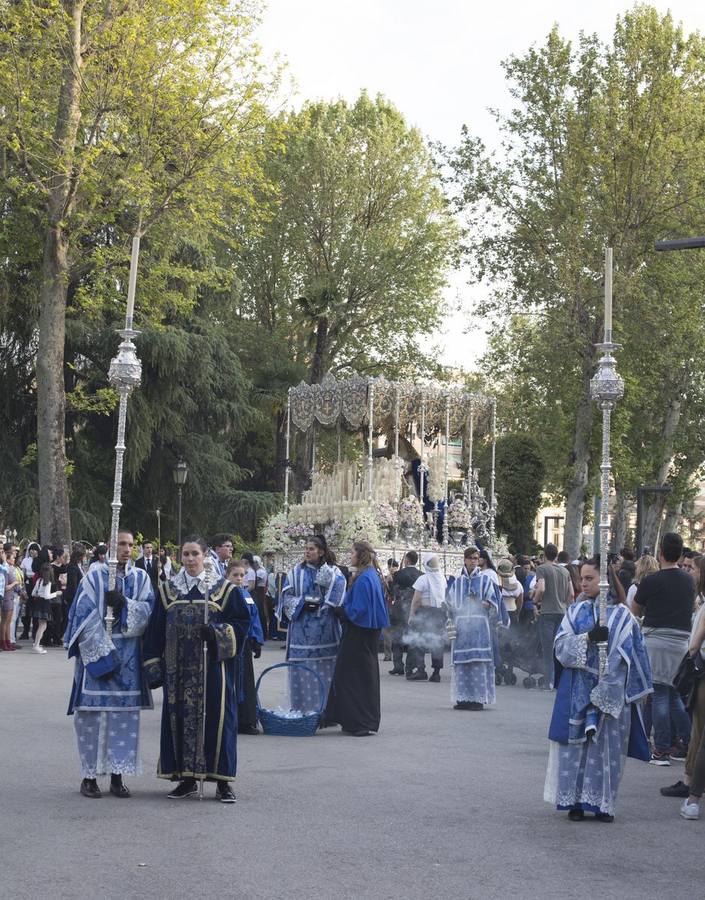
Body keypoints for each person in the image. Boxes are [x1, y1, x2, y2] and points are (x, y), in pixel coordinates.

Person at [142, 535, 252, 803]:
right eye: (186, 554)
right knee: (178, 721)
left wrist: (216, 632)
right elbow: (154, 631)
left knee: (218, 721)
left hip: (213, 668)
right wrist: (153, 665)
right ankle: (187, 779)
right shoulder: (168, 591)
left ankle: (223, 782)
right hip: (177, 669)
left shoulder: (225, 590)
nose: (190, 559)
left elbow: (242, 624)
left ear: (205, 556)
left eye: (195, 554)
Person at [544, 556, 652, 822]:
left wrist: (609, 686)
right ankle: (576, 802)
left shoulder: (624, 616)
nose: (583, 583)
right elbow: (560, 648)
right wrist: (588, 638)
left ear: (605, 582)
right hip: (578, 688)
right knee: (577, 748)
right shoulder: (576, 612)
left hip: (611, 693)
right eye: (582, 578)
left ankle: (602, 804)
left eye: (589, 578)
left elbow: (633, 655)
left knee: (606, 749)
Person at [63, 530, 155, 798]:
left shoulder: (141, 577)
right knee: (90, 717)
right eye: (121, 544)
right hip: (97, 654)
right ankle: (88, 776)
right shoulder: (93, 576)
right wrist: (101, 643)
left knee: (124, 718)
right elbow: (79, 614)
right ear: (110, 547)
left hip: (129, 657)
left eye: (130, 544)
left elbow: (150, 610)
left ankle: (118, 774)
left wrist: (125, 603)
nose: (126, 549)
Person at [633, 532, 694, 765]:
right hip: (681, 642)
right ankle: (688, 742)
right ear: (680, 554)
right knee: (674, 694)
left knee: (658, 693)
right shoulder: (689, 580)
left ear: (660, 554)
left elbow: (634, 610)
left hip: (656, 639)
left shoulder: (652, 581)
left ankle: (660, 748)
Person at [325, 541, 390, 736]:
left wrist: (340, 611)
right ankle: (360, 719)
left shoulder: (364, 579)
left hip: (359, 632)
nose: (350, 556)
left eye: (352, 553)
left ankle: (358, 721)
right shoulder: (372, 575)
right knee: (363, 676)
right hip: (367, 632)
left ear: (360, 555)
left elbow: (359, 610)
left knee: (352, 677)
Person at [278, 536, 346, 711]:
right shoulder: (295, 572)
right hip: (301, 630)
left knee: (326, 669)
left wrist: (329, 582)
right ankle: (302, 710)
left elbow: (338, 593)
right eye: (306, 548)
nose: (307, 552)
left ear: (321, 552)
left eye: (311, 549)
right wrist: (302, 603)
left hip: (326, 630)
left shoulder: (332, 571)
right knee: (301, 669)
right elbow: (285, 597)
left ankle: (326, 711)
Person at [445, 557, 508, 710]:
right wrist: (449, 617)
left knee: (478, 662)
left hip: (480, 628)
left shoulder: (485, 581)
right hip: (461, 628)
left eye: (476, 558)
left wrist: (479, 602)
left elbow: (493, 603)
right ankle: (462, 699)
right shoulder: (458, 582)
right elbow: (449, 605)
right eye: (470, 558)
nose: (473, 561)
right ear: (465, 560)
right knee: (462, 664)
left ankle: (478, 700)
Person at [226, 560, 264, 736]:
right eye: (235, 575)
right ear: (228, 576)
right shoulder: (223, 595)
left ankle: (247, 720)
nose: (239, 578)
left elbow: (254, 618)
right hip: (228, 645)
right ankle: (228, 720)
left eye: (242, 575)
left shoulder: (247, 596)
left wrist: (257, 640)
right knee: (229, 683)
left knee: (246, 682)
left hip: (245, 646)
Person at [533, 543, 573, 689]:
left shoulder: (542, 569)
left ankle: (548, 681)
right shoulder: (565, 571)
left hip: (547, 612)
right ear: (556, 555)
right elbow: (571, 593)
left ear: (544, 555)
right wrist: (565, 604)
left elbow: (541, 588)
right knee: (559, 647)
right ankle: (559, 680)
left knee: (547, 648)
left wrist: (535, 601)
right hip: (562, 612)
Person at [406, 554, 447, 682]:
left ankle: (420, 670)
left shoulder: (423, 579)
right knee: (437, 643)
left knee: (419, 641)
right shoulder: (442, 578)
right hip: (439, 613)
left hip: (425, 613)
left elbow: (416, 600)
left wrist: (411, 615)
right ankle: (436, 672)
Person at [388, 550, 422, 676]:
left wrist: (390, 581)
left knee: (396, 638)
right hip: (415, 610)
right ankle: (410, 666)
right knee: (413, 638)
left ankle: (398, 665)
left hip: (399, 609)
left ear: (407, 560)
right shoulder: (421, 575)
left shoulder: (399, 574)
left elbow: (393, 592)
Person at [31, 563, 60, 653]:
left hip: (39, 603)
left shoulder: (39, 580)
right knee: (42, 626)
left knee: (42, 625)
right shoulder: (48, 583)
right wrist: (56, 593)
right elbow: (47, 596)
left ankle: (37, 643)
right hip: (45, 604)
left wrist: (40, 593)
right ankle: (36, 645)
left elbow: (33, 593)